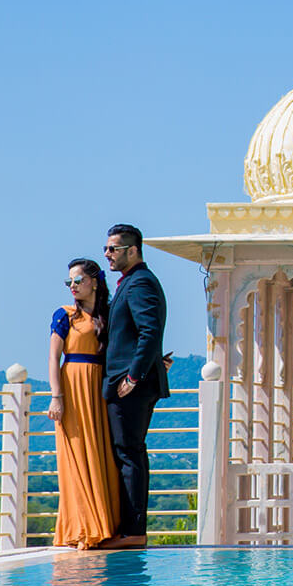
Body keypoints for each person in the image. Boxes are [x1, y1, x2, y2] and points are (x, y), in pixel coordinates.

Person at [102, 223, 169, 548]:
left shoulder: (140, 282)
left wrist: (134, 376)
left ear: (133, 250)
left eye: (113, 248)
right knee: (126, 453)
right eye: (106, 248)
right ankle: (128, 529)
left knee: (130, 453)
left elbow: (149, 331)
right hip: (125, 381)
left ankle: (133, 532)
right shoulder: (129, 283)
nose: (107, 254)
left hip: (129, 385)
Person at [47, 258, 121, 549]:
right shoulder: (65, 315)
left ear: (94, 281)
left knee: (102, 454)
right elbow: (54, 357)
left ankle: (104, 525)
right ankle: (80, 527)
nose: (73, 287)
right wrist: (56, 396)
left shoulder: (108, 315)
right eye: (69, 282)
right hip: (73, 388)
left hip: (100, 387)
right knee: (76, 455)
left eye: (78, 280)